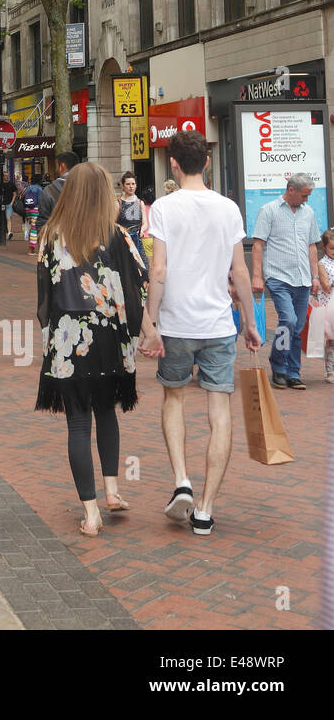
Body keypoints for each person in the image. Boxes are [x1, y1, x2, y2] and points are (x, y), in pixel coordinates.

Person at [142, 130, 261, 537]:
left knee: (173, 398)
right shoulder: (228, 208)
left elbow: (158, 270)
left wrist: (151, 321)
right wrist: (249, 321)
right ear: (207, 162)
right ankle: (206, 510)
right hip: (217, 325)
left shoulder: (163, 208)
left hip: (175, 324)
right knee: (220, 411)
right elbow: (240, 271)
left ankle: (182, 481)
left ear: (173, 163)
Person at [35, 162, 147, 537]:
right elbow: (138, 288)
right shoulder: (117, 235)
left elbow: (44, 296)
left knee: (78, 423)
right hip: (110, 337)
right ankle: (112, 491)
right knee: (107, 412)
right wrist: (141, 330)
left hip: (69, 339)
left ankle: (91, 512)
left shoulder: (51, 234)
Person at [249, 173, 321, 391]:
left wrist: (315, 275)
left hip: (303, 279)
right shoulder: (269, 210)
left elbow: (311, 246)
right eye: (304, 195)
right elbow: (258, 244)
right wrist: (257, 275)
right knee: (288, 321)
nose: (307, 200)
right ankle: (278, 366)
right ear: (291, 190)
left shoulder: (308, 213)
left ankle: (293, 372)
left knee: (297, 327)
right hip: (279, 276)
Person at [36, 151, 77, 231]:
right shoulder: (89, 187)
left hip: (59, 239)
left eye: (56, 166)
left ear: (62, 166)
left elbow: (42, 222)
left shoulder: (49, 191)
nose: (56, 169)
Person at [314, 228, 334, 384]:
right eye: (332, 248)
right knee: (331, 342)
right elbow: (326, 286)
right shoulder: (322, 264)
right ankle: (330, 371)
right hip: (329, 308)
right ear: (324, 247)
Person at [116, 171, 149, 253]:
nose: (131, 186)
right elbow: (112, 224)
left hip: (138, 243)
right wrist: (123, 232)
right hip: (123, 244)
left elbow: (145, 223)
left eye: (133, 184)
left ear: (136, 185)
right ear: (123, 186)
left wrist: (141, 230)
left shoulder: (140, 202)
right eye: (128, 184)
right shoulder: (118, 203)